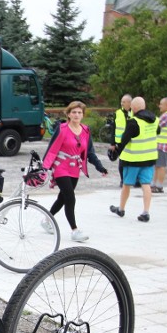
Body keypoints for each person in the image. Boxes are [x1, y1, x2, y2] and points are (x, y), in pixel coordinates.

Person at [42, 101, 108, 242]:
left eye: (79, 112)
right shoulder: (62, 129)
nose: (77, 115)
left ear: (83, 115)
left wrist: (99, 166)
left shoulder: (85, 130)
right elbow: (52, 149)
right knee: (70, 198)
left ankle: (46, 219)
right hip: (61, 166)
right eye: (74, 112)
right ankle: (75, 230)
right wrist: (44, 168)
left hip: (74, 168)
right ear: (68, 114)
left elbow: (89, 152)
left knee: (63, 197)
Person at [109, 96, 157, 222]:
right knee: (146, 184)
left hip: (133, 159)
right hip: (149, 159)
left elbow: (124, 140)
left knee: (126, 184)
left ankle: (121, 209)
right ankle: (146, 212)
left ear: (133, 108)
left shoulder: (133, 122)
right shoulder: (155, 120)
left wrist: (116, 152)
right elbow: (156, 132)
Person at [151, 97, 167, 194]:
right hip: (163, 144)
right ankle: (154, 184)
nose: (159, 106)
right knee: (157, 165)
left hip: (162, 144)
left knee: (160, 166)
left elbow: (157, 126)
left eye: (161, 104)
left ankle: (159, 186)